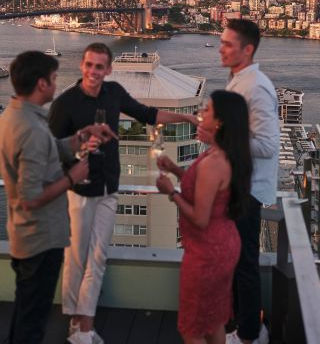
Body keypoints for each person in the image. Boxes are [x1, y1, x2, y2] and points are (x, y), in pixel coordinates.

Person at [48, 42, 197, 344]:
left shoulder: (114, 93)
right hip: (79, 190)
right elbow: (50, 151)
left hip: (108, 188)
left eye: (99, 67)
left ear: (108, 70)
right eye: (89, 65)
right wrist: (79, 151)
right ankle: (75, 324)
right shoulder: (66, 103)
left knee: (98, 257)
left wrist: (189, 119)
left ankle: (85, 328)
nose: (93, 72)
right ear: (82, 65)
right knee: (77, 258)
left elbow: (148, 114)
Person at [0, 51, 116, 344]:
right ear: (41, 84)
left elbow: (50, 150)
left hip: (25, 234)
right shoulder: (31, 130)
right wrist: (71, 179)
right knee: (33, 322)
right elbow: (30, 197)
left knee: (25, 311)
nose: (56, 84)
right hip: (40, 237)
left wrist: (80, 136)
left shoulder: (15, 117)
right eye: (53, 79)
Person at [199, 19, 279, 344]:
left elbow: (268, 146)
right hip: (234, 188)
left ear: (248, 50)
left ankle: (249, 335)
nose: (221, 48)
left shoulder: (255, 87)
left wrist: (219, 136)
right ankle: (239, 329)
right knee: (232, 263)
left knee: (244, 265)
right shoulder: (238, 82)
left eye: (228, 44)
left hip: (246, 191)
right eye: (221, 42)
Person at [156, 90, 252, 344]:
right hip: (222, 245)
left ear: (219, 121)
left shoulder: (213, 162)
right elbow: (206, 192)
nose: (201, 113)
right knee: (213, 320)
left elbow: (200, 218)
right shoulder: (222, 153)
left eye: (207, 110)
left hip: (207, 252)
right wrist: (176, 169)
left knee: (191, 328)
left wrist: (171, 193)